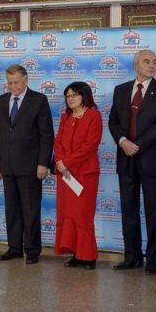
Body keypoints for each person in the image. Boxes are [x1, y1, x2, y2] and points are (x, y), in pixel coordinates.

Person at [108, 49, 156, 274]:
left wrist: (137, 144)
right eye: (147, 61)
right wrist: (122, 141)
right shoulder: (121, 90)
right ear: (135, 65)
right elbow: (113, 120)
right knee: (129, 210)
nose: (152, 65)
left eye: (155, 62)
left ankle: (154, 259)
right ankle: (132, 257)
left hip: (153, 158)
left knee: (154, 211)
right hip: (125, 157)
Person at [0, 64, 53, 265]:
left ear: (26, 80)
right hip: (7, 165)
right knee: (12, 210)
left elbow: (46, 135)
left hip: (30, 166)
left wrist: (43, 163)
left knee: (30, 210)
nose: (13, 86)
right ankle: (14, 248)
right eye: (9, 83)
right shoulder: (1, 100)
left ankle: (32, 250)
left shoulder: (38, 100)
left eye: (16, 82)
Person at [54, 82, 103, 270]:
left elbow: (90, 145)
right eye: (68, 96)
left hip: (85, 174)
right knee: (68, 214)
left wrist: (68, 162)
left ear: (84, 96)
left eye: (74, 95)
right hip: (65, 174)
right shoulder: (65, 117)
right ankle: (75, 253)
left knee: (83, 215)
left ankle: (88, 256)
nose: (70, 99)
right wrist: (60, 162)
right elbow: (58, 142)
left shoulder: (94, 115)